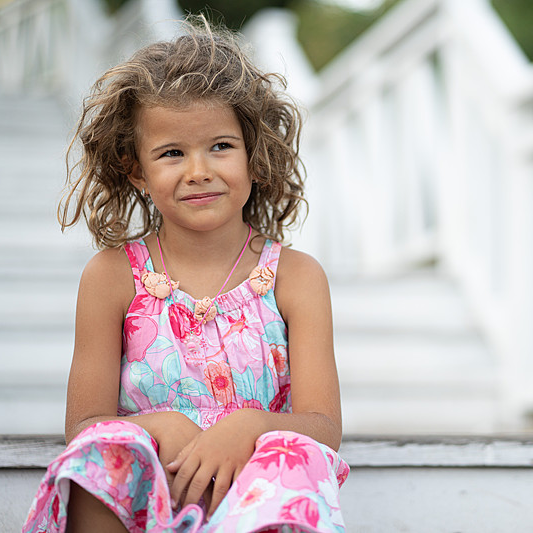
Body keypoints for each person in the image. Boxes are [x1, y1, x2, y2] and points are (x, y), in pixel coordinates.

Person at [23, 16, 348, 533]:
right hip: (154, 484)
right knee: (102, 452)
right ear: (138, 172)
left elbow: (323, 427)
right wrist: (161, 427)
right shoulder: (112, 276)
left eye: (220, 146)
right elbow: (82, 425)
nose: (198, 170)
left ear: (255, 156)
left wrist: (249, 426)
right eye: (172, 153)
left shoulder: (295, 277)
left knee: (296, 458)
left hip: (254, 490)